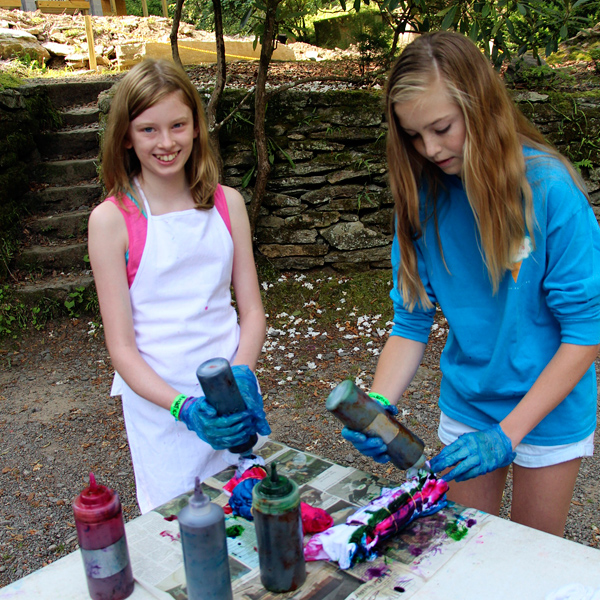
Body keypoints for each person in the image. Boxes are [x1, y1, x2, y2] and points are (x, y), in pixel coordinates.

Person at [341, 31, 600, 537]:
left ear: (479, 106)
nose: (430, 149)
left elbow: (585, 335)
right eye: (414, 136)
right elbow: (410, 322)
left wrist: (508, 435)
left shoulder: (550, 192)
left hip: (549, 409)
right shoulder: (422, 200)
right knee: (464, 549)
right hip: (470, 403)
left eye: (441, 128)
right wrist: (379, 405)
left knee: (530, 561)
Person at [88, 58, 270, 514]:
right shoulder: (111, 221)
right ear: (126, 136)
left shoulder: (228, 204)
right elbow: (122, 349)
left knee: (253, 519)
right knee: (182, 532)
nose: (166, 142)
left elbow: (250, 311)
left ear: (196, 127)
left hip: (231, 401)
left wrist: (242, 376)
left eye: (178, 125)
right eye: (149, 129)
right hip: (162, 411)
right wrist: (184, 409)